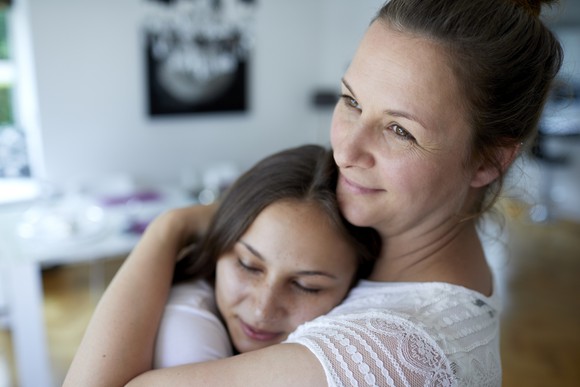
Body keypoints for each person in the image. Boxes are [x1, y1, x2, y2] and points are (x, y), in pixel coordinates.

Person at [63, 0, 563, 385]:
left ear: (489, 160)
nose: (347, 150)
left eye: (399, 131)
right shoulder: (409, 263)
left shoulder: (387, 353)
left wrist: (167, 228)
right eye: (351, 101)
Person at [152, 144, 380, 368]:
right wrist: (172, 225)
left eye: (306, 286)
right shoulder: (188, 330)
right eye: (248, 265)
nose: (263, 310)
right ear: (218, 245)